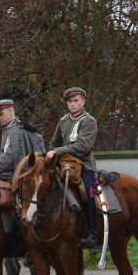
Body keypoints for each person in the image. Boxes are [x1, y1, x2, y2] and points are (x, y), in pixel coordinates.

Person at [46, 87, 98, 248]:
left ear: (83, 102)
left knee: (87, 191)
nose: (73, 104)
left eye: (76, 101)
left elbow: (83, 146)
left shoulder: (89, 120)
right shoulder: (64, 120)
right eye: (70, 101)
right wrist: (52, 153)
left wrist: (58, 151)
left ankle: (92, 233)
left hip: (83, 164)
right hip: (62, 163)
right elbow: (54, 142)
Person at [0, 99, 45, 185]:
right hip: (10, 175)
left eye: (1, 114)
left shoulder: (18, 130)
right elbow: (8, 158)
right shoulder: (9, 129)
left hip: (21, 180)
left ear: (10, 111)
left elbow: (9, 157)